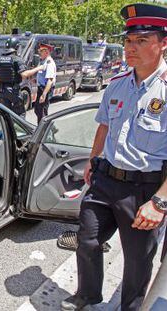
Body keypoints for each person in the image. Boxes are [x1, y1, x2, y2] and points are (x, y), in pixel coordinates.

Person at [61, 3, 167, 311]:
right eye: (128, 41)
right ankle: (87, 295)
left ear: (163, 44)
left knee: (137, 263)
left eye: (142, 41)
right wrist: (93, 162)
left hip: (144, 190)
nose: (131, 48)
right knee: (87, 239)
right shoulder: (118, 84)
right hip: (106, 180)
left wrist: (159, 202)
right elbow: (104, 126)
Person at [21, 43, 56, 124]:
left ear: (46, 52)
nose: (39, 53)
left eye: (41, 51)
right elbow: (41, 74)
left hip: (45, 89)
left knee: (42, 111)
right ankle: (45, 128)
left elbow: (50, 81)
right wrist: (36, 80)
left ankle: (45, 130)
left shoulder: (49, 63)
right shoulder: (42, 61)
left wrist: (44, 94)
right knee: (38, 109)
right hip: (41, 88)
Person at [0, 37, 27, 117]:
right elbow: (24, 74)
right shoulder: (17, 59)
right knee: (20, 113)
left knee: (6, 114)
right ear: (16, 47)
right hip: (14, 91)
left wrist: (3, 83)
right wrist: (38, 68)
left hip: (3, 91)